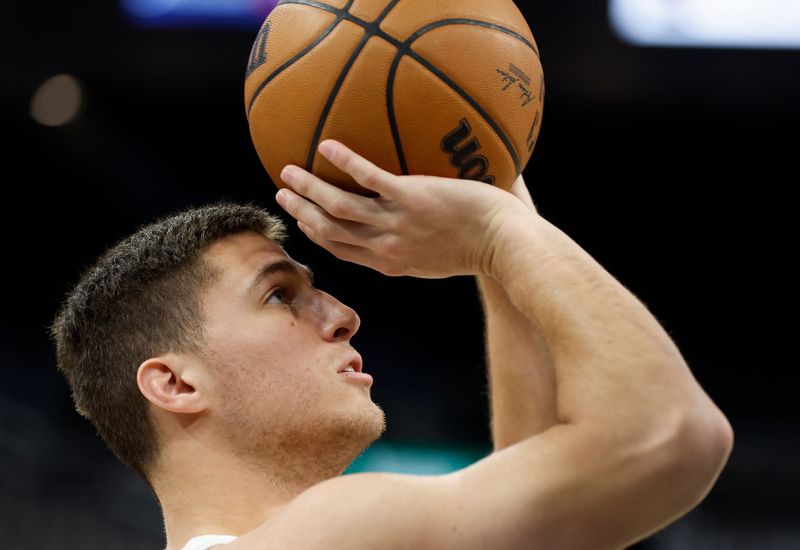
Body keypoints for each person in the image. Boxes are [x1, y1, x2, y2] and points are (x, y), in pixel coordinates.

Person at [51, 139, 733, 550]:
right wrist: (495, 229)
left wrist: (496, 237)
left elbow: (546, 504)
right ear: (176, 384)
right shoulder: (339, 529)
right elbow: (672, 435)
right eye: (279, 296)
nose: (344, 316)